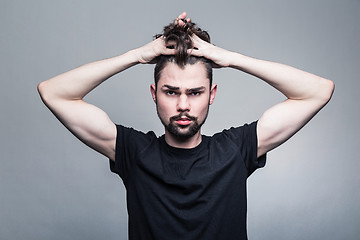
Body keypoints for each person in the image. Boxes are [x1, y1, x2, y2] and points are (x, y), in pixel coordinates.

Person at [38, 12, 334, 240]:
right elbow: (53, 92)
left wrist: (229, 58)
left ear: (211, 95)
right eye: (171, 92)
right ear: (154, 94)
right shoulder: (133, 152)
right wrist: (136, 56)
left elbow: (318, 90)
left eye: (195, 93)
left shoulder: (236, 150)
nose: (183, 105)